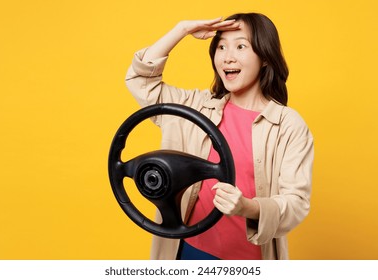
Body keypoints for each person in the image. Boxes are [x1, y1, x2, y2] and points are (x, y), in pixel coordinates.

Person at [125, 13, 314, 260]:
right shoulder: (195, 107)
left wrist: (247, 207)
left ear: (265, 58)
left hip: (250, 260)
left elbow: (296, 202)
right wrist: (181, 29)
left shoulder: (289, 125)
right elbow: (140, 80)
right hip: (187, 251)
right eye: (221, 46)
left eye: (240, 46)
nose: (227, 56)